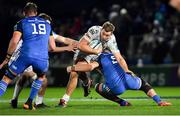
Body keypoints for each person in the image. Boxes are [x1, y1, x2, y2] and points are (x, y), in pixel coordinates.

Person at [8, 13, 77, 109]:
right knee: (42, 80)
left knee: (24, 77)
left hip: (24, 58)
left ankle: (14, 100)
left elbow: (64, 39)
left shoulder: (38, 30)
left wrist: (81, 43)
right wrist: (67, 48)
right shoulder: (38, 33)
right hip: (25, 57)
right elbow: (50, 48)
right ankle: (35, 103)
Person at [58, 21, 134, 107]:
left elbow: (119, 58)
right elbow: (81, 46)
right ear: (101, 29)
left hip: (100, 57)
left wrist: (126, 70)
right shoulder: (94, 30)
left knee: (112, 81)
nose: (105, 37)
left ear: (111, 34)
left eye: (107, 35)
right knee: (74, 72)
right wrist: (96, 51)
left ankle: (121, 102)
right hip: (85, 52)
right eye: (103, 34)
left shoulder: (112, 40)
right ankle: (66, 99)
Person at [0, 2, 56, 110]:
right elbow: (53, 47)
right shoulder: (47, 24)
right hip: (42, 58)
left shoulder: (21, 23)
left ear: (24, 13)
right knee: (41, 77)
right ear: (36, 13)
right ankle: (29, 102)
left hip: (25, 55)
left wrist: (7, 58)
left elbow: (14, 41)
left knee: (6, 78)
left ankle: (17, 99)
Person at [67, 52, 172, 106]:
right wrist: (127, 70)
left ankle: (122, 102)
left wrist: (72, 67)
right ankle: (159, 101)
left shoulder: (98, 58)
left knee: (98, 87)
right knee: (144, 84)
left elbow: (89, 67)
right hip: (129, 80)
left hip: (116, 87)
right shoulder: (114, 53)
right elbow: (121, 60)